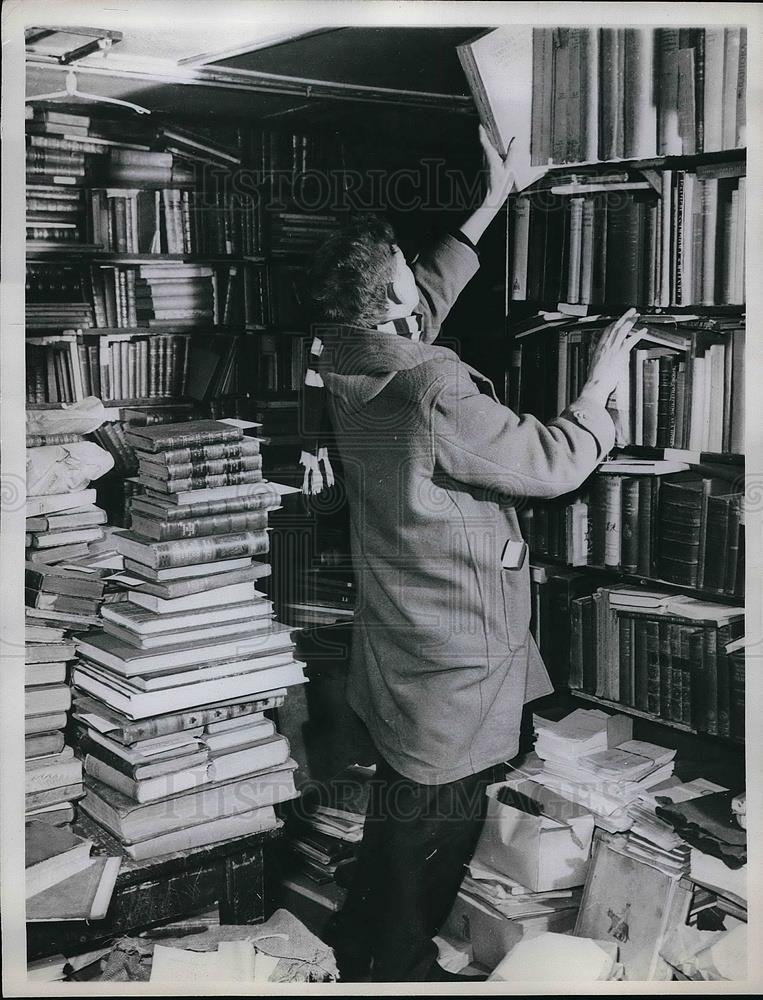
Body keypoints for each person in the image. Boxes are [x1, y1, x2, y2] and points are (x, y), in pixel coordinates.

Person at [305, 126, 644, 982]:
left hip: (400, 631)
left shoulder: (345, 357)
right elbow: (549, 463)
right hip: (456, 639)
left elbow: (421, 297)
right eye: (398, 276)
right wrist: (598, 393)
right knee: (440, 822)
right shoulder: (432, 387)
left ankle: (361, 938)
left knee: (403, 801)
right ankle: (395, 964)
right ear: (389, 307)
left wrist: (495, 197)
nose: (414, 286)